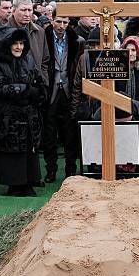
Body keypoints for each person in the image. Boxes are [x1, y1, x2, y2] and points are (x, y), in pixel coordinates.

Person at [0, 28, 46, 196]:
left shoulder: (28, 59)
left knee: (29, 148)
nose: (19, 47)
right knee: (11, 150)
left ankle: (29, 181)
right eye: (15, 43)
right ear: (8, 45)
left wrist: (33, 92)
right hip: (7, 115)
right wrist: (26, 89)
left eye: (21, 43)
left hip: (28, 113)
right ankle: (14, 184)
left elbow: (38, 82)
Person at [41, 12, 85, 183]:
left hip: (68, 90)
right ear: (52, 20)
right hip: (50, 91)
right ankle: (50, 169)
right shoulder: (43, 37)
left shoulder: (77, 41)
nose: (61, 26)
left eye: (65, 22)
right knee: (49, 135)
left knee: (70, 133)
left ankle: (70, 169)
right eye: (58, 21)